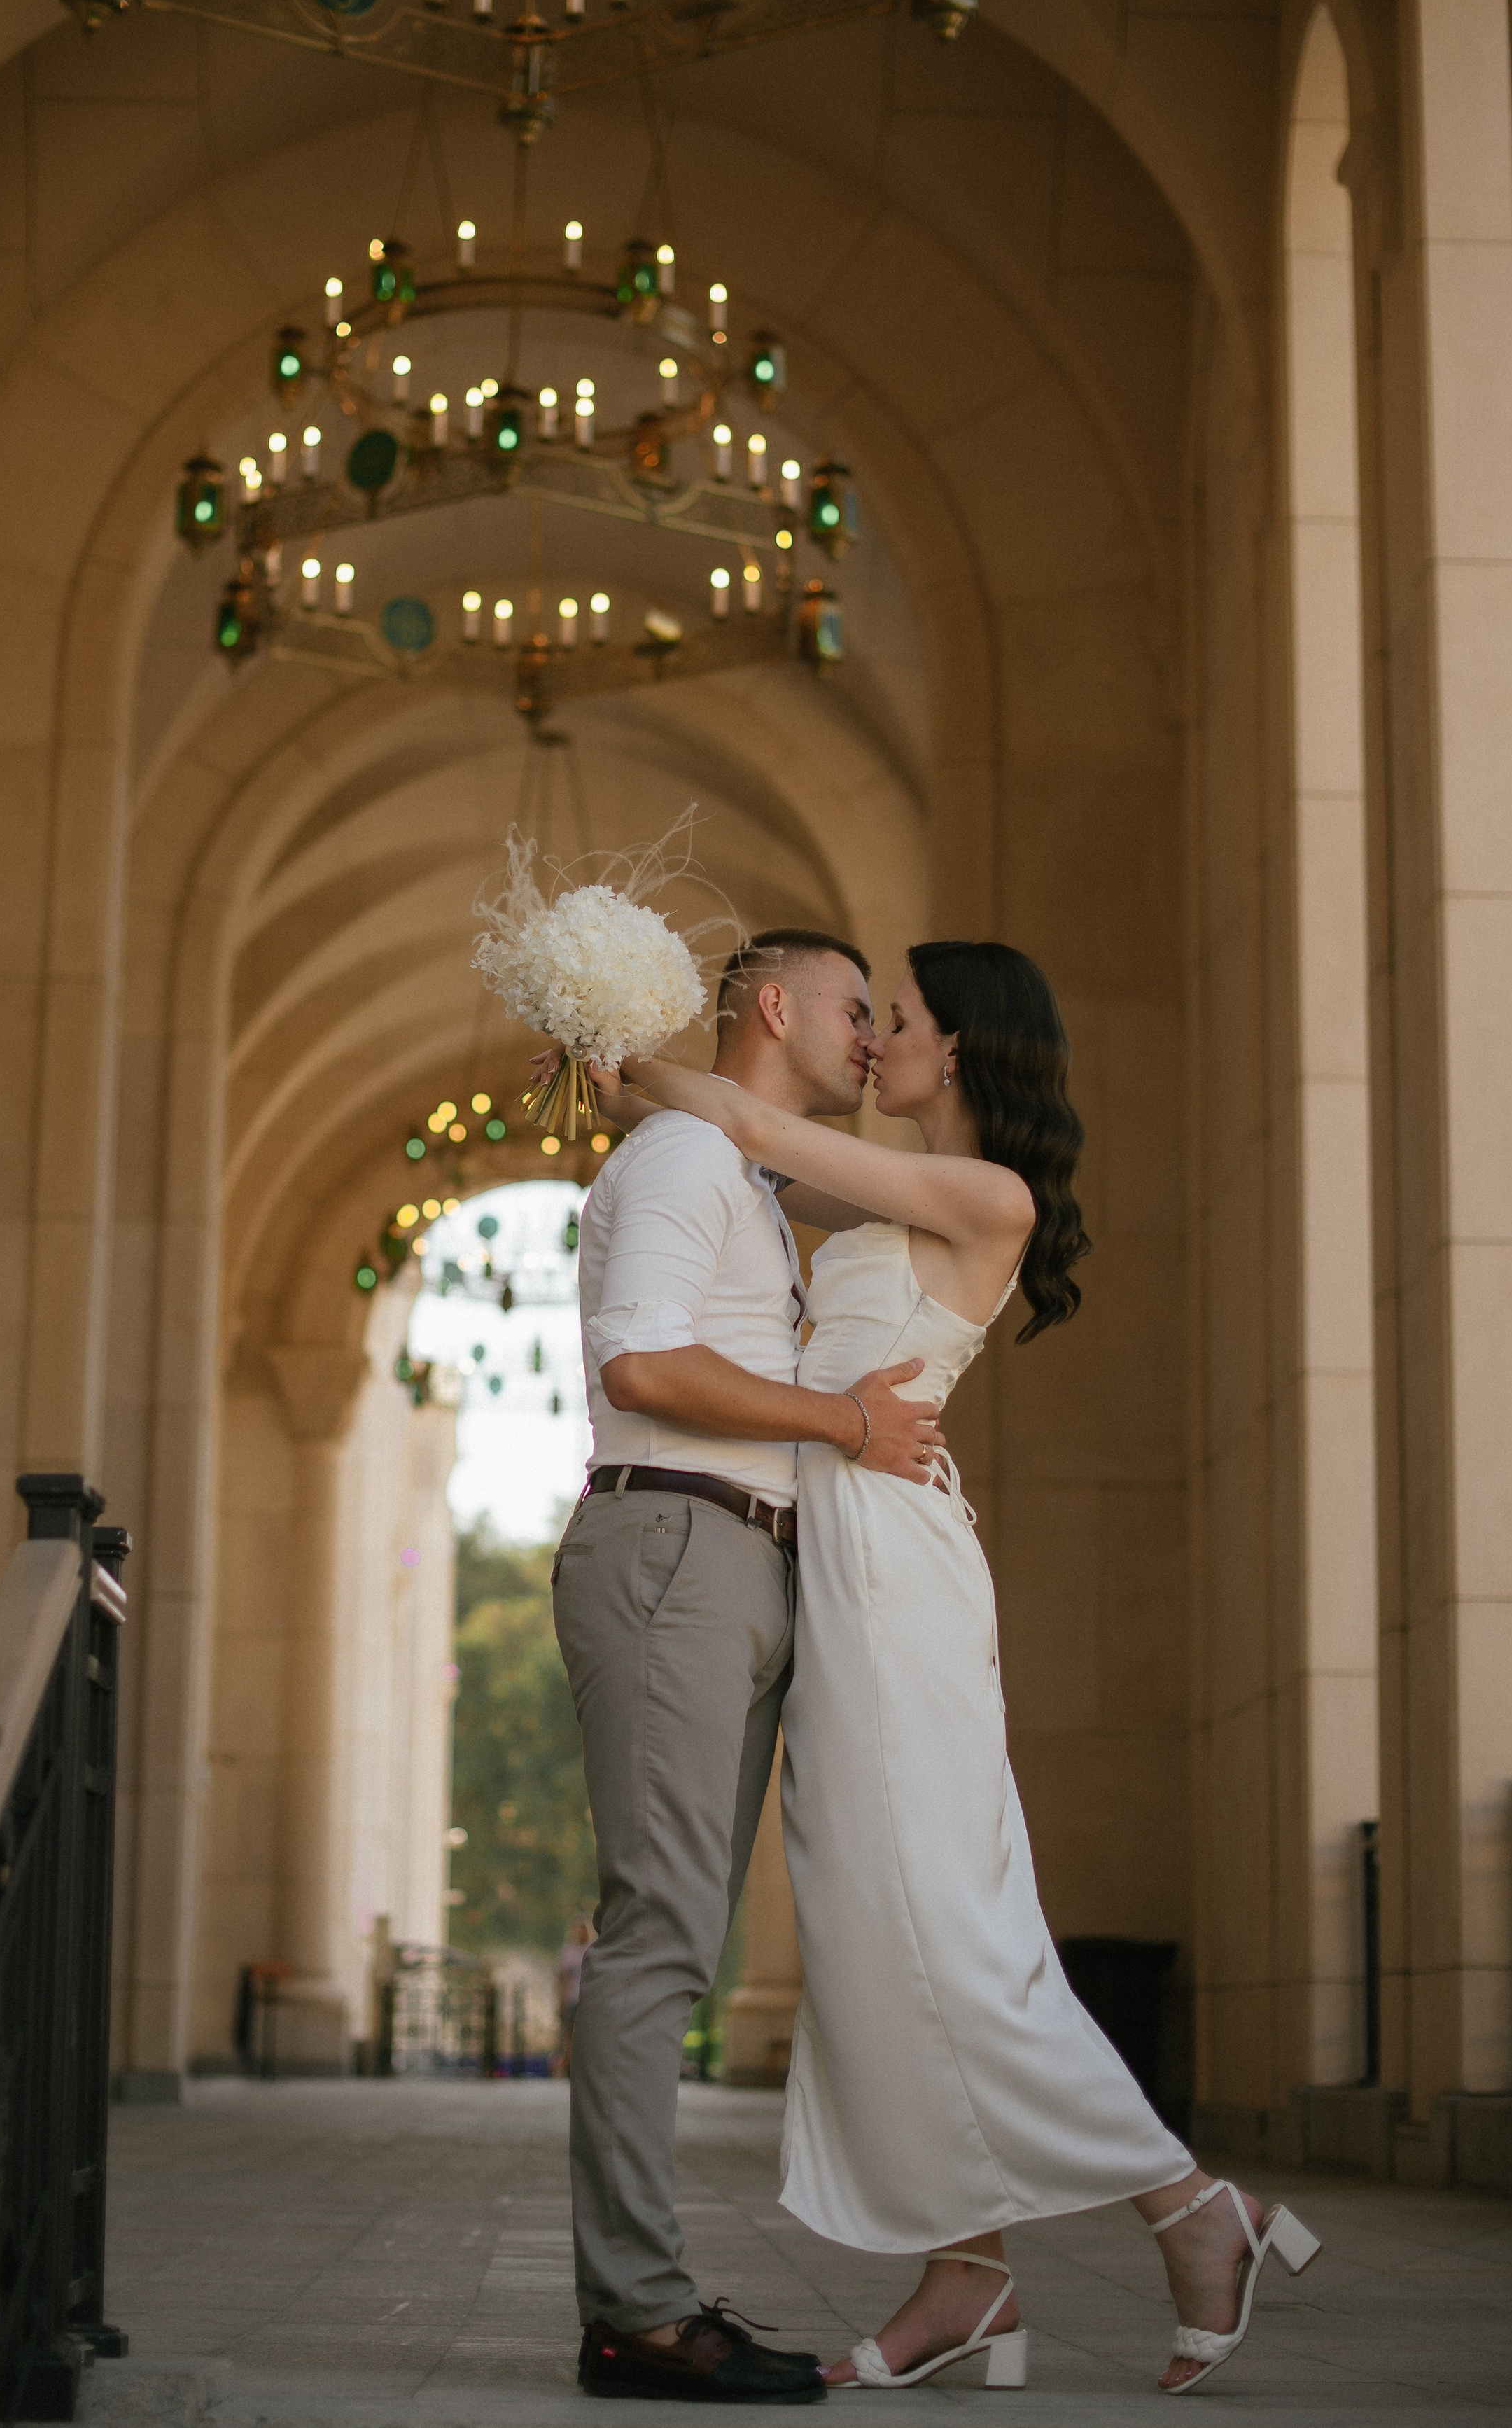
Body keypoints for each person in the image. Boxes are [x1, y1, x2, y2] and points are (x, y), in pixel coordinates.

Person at [611, 937, 1322, 2398]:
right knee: (885, 1922)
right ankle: (969, 2273)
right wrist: (599, 1073)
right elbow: (735, 1156)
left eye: (903, 1019)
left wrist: (609, 1040)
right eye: (866, 1016)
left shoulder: (982, 1193)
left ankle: (1191, 2211)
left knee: (953, 1930)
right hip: (852, 1553)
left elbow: (738, 1125)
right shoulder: (880, 1186)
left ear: (970, 1044)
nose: (875, 1040)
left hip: (894, 1573)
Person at [551, 928, 948, 2407]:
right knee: (655, 1935)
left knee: (673, 1938)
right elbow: (639, 1365)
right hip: (671, 1552)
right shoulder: (678, 1165)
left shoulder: (729, 1168)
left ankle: (638, 2296)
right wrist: (844, 1422)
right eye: (853, 1009)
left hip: (731, 1565)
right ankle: (638, 2315)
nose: (866, 1037)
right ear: (774, 1007)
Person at [553, 1918, 595, 2074]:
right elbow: (561, 1979)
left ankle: (585, 2064)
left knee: (587, 2032)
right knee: (569, 2033)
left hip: (588, 2000)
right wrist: (560, 2001)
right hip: (571, 1998)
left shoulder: (592, 1950)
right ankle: (569, 2063)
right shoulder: (568, 1953)